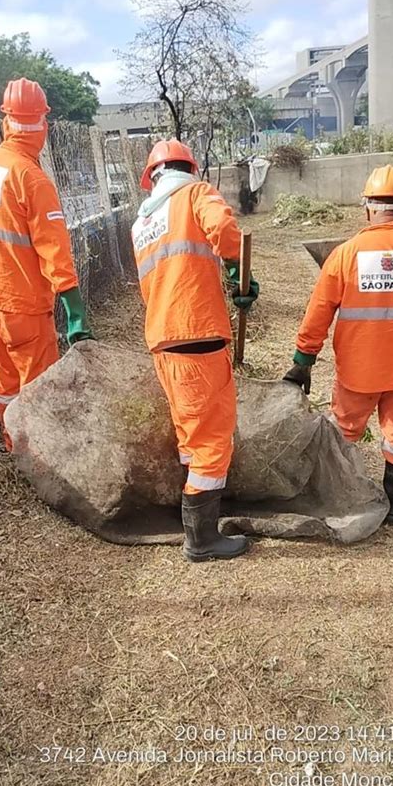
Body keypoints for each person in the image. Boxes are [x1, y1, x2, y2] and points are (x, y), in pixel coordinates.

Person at [132, 138, 259, 561]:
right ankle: (202, 539)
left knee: (190, 433)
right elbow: (225, 231)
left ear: (151, 177)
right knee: (211, 438)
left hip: (163, 339)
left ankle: (193, 515)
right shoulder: (195, 192)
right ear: (190, 168)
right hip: (197, 333)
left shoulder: (142, 221)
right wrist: (238, 269)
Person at [284, 165, 393, 524]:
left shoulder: (346, 255)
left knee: (344, 432)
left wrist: (303, 359)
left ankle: (343, 495)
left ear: (367, 205)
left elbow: (319, 312)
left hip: (357, 372)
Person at [0, 78, 92, 450]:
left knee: (5, 383)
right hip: (20, 304)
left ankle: (14, 447)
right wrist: (75, 309)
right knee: (39, 385)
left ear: (5, 122)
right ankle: (43, 458)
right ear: (44, 126)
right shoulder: (31, 179)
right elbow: (55, 250)